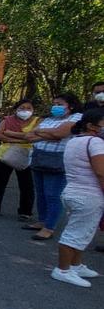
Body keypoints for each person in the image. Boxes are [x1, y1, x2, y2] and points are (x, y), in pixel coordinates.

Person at [18, 93, 83, 241]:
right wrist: (51, 134)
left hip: (58, 160)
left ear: (70, 105)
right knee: (41, 193)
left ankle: (49, 227)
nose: (56, 107)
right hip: (39, 157)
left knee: (52, 195)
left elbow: (61, 133)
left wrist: (41, 133)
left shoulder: (76, 117)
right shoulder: (48, 119)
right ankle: (42, 220)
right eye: (54, 103)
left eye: (60, 104)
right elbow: (28, 136)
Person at [51, 108, 104, 287]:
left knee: (83, 231)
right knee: (75, 234)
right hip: (88, 194)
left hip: (74, 192)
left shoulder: (74, 141)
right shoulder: (95, 143)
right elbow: (101, 172)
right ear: (91, 125)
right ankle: (63, 270)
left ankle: (76, 265)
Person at [0, 98, 40, 220]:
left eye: (28, 108)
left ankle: (25, 212)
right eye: (22, 108)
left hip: (25, 155)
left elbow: (34, 136)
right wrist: (20, 139)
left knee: (26, 185)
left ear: (33, 110)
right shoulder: (7, 120)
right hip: (4, 154)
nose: (25, 111)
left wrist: (10, 133)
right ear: (16, 110)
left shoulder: (37, 121)